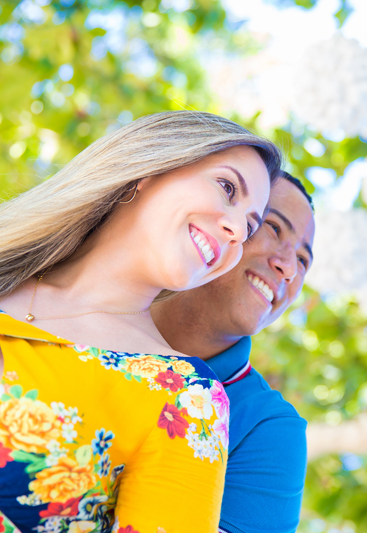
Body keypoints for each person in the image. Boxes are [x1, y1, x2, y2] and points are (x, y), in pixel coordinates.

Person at [0, 111, 281, 533]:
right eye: (227, 187)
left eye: (249, 227)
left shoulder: (185, 400)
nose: (235, 230)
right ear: (149, 169)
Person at [153, 171, 315, 533]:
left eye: (303, 261)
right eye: (273, 227)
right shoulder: (82, 301)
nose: (288, 268)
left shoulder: (268, 428)